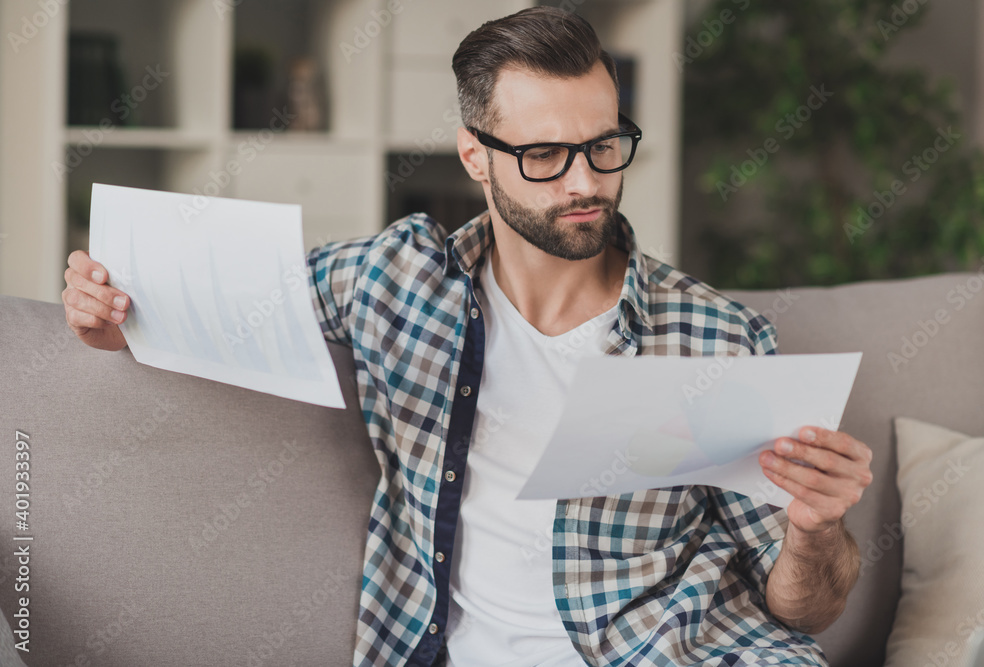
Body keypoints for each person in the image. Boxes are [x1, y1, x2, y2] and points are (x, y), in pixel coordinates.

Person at [61, 7, 873, 667]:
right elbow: (204, 305)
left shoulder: (715, 337)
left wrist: (814, 531)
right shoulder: (393, 280)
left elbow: (808, 609)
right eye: (545, 154)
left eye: (603, 145)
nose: (587, 181)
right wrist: (107, 316)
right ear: (475, 157)